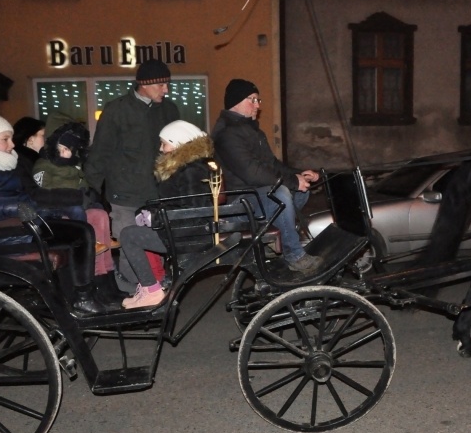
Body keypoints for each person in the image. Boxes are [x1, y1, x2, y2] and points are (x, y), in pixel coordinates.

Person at [0, 100, 105, 314]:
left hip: (18, 226)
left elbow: (25, 197)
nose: (12, 144)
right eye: (5, 139)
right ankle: (82, 297)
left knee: (75, 222)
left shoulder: (0, 163)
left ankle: (74, 298)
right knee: (79, 232)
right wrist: (16, 206)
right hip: (0, 235)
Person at [85, 58, 180, 292]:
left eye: (167, 84)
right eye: (161, 85)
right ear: (144, 85)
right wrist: (96, 191)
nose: (166, 90)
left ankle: (149, 291)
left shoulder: (169, 110)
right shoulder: (116, 110)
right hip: (125, 194)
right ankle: (133, 291)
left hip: (158, 193)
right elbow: (101, 152)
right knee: (129, 244)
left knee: (154, 245)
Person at [212, 78, 321, 273]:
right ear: (236, 103)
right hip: (238, 199)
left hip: (255, 193)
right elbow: (252, 172)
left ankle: (274, 237)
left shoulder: (252, 131)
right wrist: (291, 182)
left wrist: (298, 175)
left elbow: (272, 164)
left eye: (258, 100)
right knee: (281, 195)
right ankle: (294, 255)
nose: (257, 105)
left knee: (301, 190)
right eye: (252, 100)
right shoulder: (227, 134)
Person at [119, 121, 216, 309]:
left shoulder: (191, 171)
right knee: (136, 230)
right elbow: (175, 203)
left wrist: (156, 218)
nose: (161, 149)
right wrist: (148, 213)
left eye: (165, 143)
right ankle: (153, 285)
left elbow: (192, 211)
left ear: (178, 143)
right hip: (184, 230)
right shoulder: (186, 167)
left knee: (129, 235)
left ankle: (152, 291)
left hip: (189, 235)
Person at [32, 122, 126, 303]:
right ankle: (93, 272)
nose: (68, 153)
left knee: (100, 213)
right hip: (54, 209)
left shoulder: (72, 166)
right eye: (65, 149)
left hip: (72, 202)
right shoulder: (44, 163)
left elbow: (83, 182)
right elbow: (42, 189)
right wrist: (75, 194)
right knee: (83, 217)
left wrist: (89, 194)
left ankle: (106, 279)